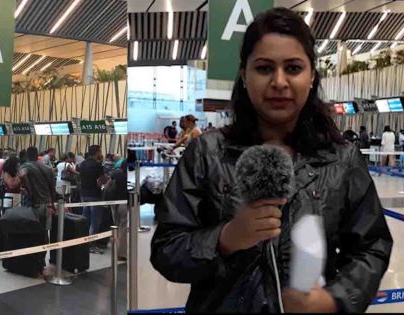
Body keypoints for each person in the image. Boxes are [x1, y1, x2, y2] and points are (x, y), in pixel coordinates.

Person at [150, 8, 392, 313]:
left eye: (293, 68)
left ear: (311, 76)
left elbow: (372, 246)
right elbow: (166, 250)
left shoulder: (341, 159)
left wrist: (334, 299)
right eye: (264, 68)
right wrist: (225, 238)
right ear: (244, 75)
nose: (279, 81)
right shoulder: (207, 153)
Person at [18, 147, 56, 233]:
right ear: (37, 155)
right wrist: (53, 203)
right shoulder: (47, 168)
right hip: (47, 205)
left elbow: (22, 175)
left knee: (32, 233)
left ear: (27, 156)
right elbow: (52, 188)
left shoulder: (26, 165)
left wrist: (29, 189)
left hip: (34, 205)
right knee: (45, 232)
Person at [77, 145, 106, 254]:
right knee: (95, 221)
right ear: (97, 152)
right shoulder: (97, 165)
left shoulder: (82, 164)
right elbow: (100, 181)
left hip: (84, 194)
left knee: (86, 219)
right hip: (95, 194)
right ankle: (91, 245)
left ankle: (84, 242)